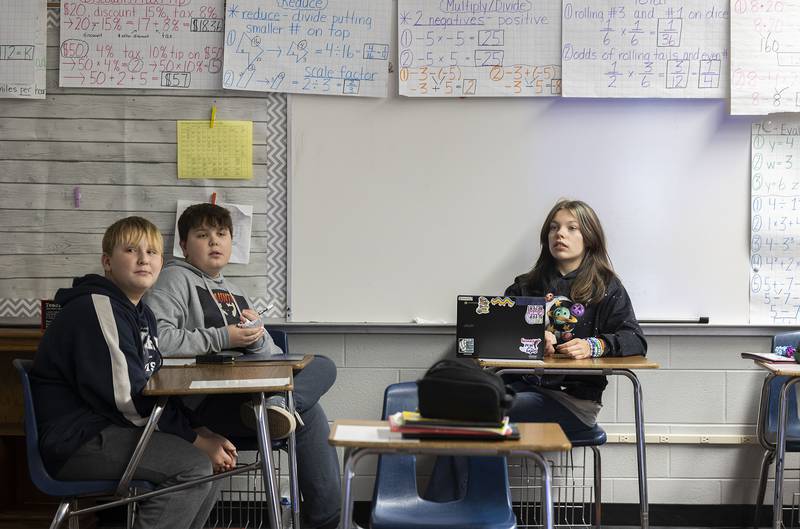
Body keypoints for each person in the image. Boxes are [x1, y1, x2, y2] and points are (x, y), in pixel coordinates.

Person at [426, 199, 647, 500]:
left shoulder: (606, 288)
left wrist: (594, 345)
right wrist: (529, 336)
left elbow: (635, 339)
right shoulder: (525, 286)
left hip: (571, 403)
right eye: (554, 228)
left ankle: (462, 509)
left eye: (572, 228)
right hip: (516, 388)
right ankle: (452, 509)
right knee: (463, 411)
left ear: (590, 237)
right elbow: (491, 336)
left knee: (474, 416)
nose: (560, 234)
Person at [144, 203, 340, 529]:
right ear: (184, 246)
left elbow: (271, 356)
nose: (214, 241)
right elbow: (159, 341)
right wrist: (225, 336)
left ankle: (278, 406)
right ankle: (329, 522)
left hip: (244, 396)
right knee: (311, 415)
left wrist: (257, 337)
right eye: (202, 235)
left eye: (221, 234)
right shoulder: (173, 279)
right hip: (202, 405)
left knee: (323, 366)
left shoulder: (234, 292)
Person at [31, 216, 235, 529]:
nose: (143, 259)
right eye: (130, 250)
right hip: (77, 440)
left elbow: (154, 385)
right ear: (107, 262)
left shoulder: (141, 314)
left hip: (112, 428)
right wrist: (195, 440)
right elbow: (127, 398)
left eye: (152, 252)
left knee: (211, 462)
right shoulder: (97, 308)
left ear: (161, 262)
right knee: (194, 465)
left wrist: (201, 431)